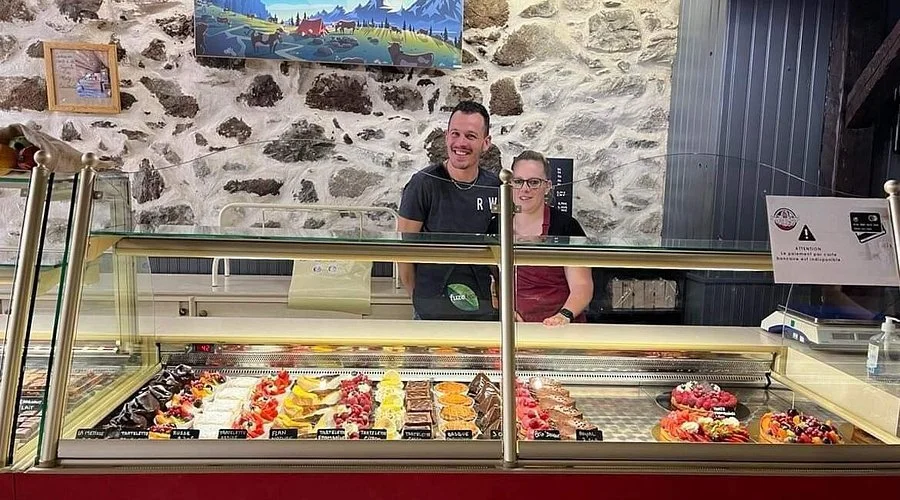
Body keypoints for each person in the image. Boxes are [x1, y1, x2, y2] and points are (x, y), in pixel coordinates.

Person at [398, 101, 500, 320]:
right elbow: (403, 253)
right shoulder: (422, 184)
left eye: (471, 136)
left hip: (480, 307)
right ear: (446, 136)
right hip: (431, 308)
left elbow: (498, 253)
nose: (461, 143)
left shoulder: (495, 187)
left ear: (486, 142)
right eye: (455, 134)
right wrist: (419, 301)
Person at [488, 150, 594, 326]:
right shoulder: (496, 227)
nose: (525, 189)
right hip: (513, 326)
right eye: (518, 181)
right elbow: (497, 280)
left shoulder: (566, 226)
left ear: (548, 186)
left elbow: (582, 286)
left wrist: (563, 316)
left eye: (534, 182)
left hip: (562, 328)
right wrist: (508, 311)